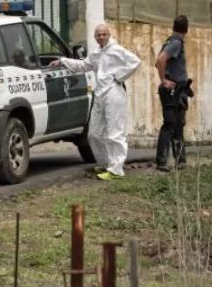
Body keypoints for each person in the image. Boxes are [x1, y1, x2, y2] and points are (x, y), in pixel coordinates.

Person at [50, 24, 141, 180]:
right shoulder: (96, 53)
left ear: (109, 34)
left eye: (104, 34)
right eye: (98, 35)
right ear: (95, 37)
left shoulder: (117, 50)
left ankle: (116, 169)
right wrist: (62, 61)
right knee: (94, 134)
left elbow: (135, 62)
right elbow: (82, 65)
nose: (101, 37)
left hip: (114, 93)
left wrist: (118, 77)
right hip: (100, 94)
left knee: (115, 132)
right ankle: (106, 164)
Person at [154, 15, 190, 171]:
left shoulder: (170, 41)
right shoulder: (175, 43)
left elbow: (157, 61)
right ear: (186, 30)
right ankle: (162, 161)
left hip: (178, 90)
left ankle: (180, 160)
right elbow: (160, 60)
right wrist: (164, 80)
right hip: (172, 91)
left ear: (174, 27)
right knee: (170, 124)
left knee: (178, 125)